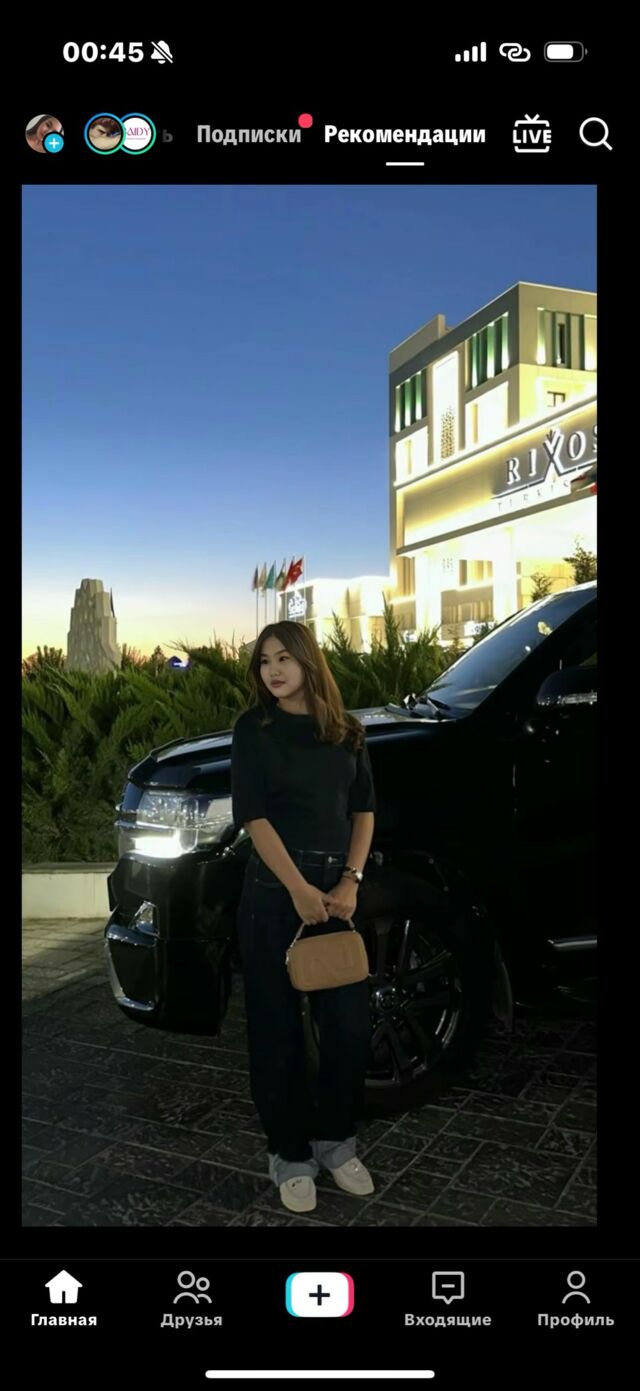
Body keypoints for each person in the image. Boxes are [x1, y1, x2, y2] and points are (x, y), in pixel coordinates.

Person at [230, 621, 377, 1215]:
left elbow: (363, 811)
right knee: (276, 1030)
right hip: (275, 893)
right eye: (265, 661)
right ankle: (289, 1153)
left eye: (284, 658)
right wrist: (297, 889)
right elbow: (253, 816)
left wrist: (351, 881)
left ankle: (336, 1142)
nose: (273, 670)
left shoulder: (347, 732)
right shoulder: (254, 730)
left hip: (337, 898)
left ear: (309, 662)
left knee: (348, 1027)